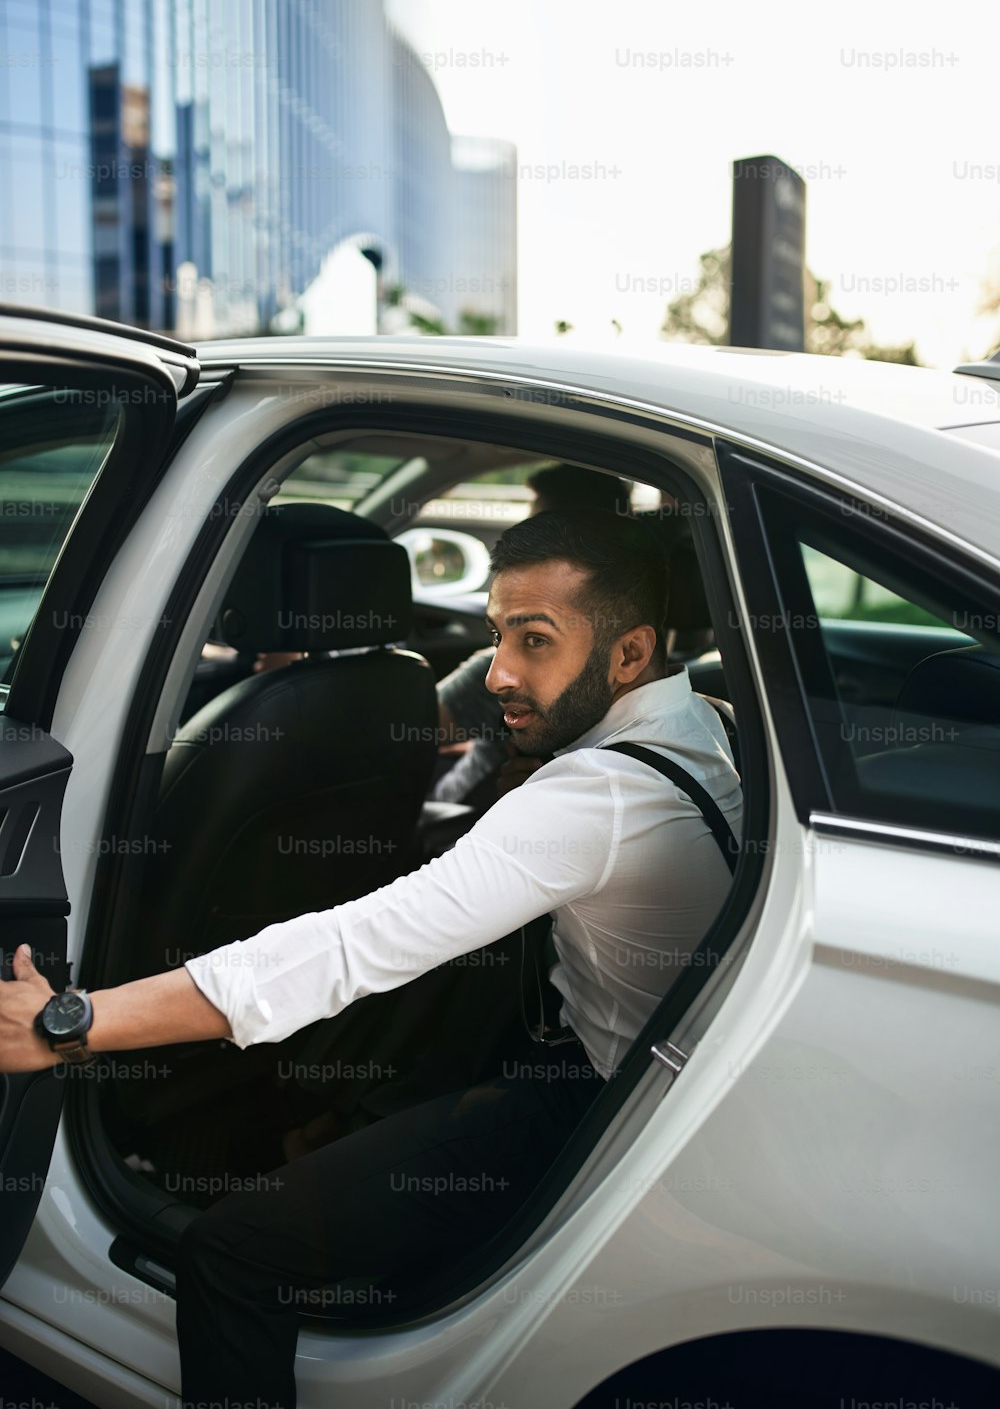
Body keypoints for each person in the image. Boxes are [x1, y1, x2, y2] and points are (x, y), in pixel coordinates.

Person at [0, 508, 741, 1409]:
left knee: (232, 1251)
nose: (500, 673)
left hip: (596, 1104)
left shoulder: (597, 796)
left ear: (628, 655)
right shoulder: (706, 722)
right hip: (630, 1074)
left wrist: (71, 1023)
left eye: (535, 641)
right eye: (498, 632)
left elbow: (350, 946)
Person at [434, 461, 632, 806]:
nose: (496, 681)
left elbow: (397, 733)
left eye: (536, 640)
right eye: (497, 637)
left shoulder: (511, 674)